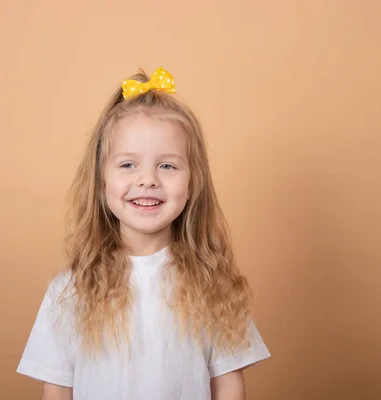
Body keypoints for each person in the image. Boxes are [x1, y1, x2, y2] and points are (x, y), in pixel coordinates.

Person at [16, 67, 271, 400]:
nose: (148, 179)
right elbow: (58, 387)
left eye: (167, 165)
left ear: (193, 183)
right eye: (127, 165)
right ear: (101, 180)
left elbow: (227, 384)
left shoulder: (211, 284)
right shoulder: (70, 289)